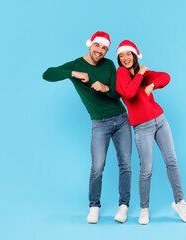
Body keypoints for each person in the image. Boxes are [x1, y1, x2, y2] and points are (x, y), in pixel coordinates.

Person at [42, 32, 132, 224]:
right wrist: (72, 74)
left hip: (121, 119)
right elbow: (47, 74)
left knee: (125, 164)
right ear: (90, 44)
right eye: (97, 46)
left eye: (104, 48)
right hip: (99, 123)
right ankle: (94, 207)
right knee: (97, 166)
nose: (100, 51)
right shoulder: (76, 65)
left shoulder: (108, 65)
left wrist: (105, 88)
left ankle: (124, 205)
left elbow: (118, 94)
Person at [115, 40, 186, 225]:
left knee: (172, 161)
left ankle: (180, 202)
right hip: (142, 127)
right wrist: (141, 75)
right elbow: (130, 92)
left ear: (134, 55)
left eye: (128, 54)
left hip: (160, 120)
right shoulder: (122, 74)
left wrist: (153, 84)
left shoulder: (143, 73)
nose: (125, 58)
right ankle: (144, 209)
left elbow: (165, 77)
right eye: (121, 55)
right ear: (119, 59)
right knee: (146, 169)